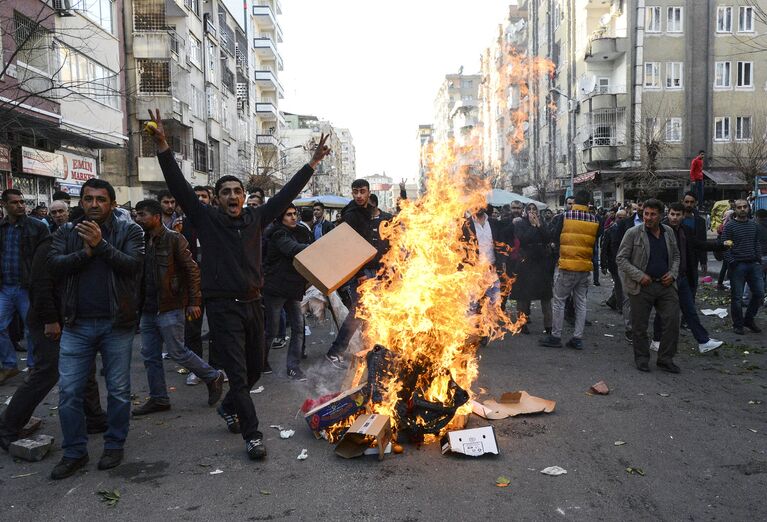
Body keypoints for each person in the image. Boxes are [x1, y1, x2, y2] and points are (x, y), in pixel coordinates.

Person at [149, 109, 330, 461]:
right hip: (222, 308)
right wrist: (163, 148)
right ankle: (253, 435)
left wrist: (312, 163)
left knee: (253, 369)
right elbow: (179, 186)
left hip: (254, 304)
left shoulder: (256, 217)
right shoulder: (205, 218)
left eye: (237, 191)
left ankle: (228, 407)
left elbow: (288, 191)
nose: (232, 196)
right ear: (217, 198)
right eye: (226, 192)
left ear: (245, 197)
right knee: (237, 373)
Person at [47, 179, 144, 479]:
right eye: (88, 199)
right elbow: (54, 266)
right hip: (77, 324)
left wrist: (100, 245)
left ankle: (114, 444)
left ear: (112, 204)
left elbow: (132, 265)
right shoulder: (66, 231)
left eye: (101, 199)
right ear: (81, 202)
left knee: (118, 391)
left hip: (117, 324)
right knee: (69, 393)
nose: (93, 204)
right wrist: (87, 253)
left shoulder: (131, 230)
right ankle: (75, 452)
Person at [0, 235, 107, 451]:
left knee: (85, 368)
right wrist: (50, 320)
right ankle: (7, 427)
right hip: (48, 320)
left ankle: (94, 417)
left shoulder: (92, 244)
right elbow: (40, 285)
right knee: (47, 371)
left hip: (72, 318)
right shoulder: (51, 245)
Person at [132, 199, 224, 416]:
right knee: (150, 355)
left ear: (155, 216)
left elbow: (192, 270)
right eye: (137, 214)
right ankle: (159, 398)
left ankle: (212, 376)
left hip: (170, 305)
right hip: (148, 308)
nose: (138, 218)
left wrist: (194, 301)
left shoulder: (174, 239)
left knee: (177, 351)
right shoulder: (141, 240)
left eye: (142, 214)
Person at [324, 179, 391, 368]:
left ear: (369, 193)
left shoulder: (386, 218)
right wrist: (360, 272)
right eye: (355, 192)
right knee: (358, 312)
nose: (359, 196)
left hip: (382, 272)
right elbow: (350, 249)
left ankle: (369, 350)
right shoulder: (353, 216)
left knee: (372, 313)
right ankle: (335, 351)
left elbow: (393, 245)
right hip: (362, 273)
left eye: (362, 191)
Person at [616, 199, 681, 373]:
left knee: (673, 321)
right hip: (641, 286)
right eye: (646, 213)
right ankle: (642, 358)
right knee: (640, 326)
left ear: (661, 215)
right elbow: (621, 259)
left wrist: (673, 274)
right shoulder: (633, 233)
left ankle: (666, 359)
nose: (648, 217)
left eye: (653, 214)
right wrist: (639, 275)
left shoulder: (668, 232)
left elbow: (676, 256)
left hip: (665, 285)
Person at [651, 203, 725, 354]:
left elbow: (699, 245)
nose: (675, 217)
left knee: (690, 310)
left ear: (683, 216)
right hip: (666, 279)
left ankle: (703, 341)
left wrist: (720, 246)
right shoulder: (661, 229)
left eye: (678, 215)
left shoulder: (686, 231)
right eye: (672, 214)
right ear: (667, 214)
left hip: (682, 277)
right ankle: (656, 340)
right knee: (663, 312)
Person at [539, 191, 599, 350]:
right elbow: (595, 241)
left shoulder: (565, 217)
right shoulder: (594, 219)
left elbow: (554, 236)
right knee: (581, 303)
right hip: (585, 267)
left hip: (566, 266)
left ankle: (555, 336)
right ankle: (577, 338)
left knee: (559, 301)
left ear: (574, 202)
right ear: (588, 203)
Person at [1, 189, 49, 382]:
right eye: (15, 202)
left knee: (32, 329)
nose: (20, 205)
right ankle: (9, 365)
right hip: (5, 286)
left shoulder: (37, 227)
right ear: (4, 205)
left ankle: (33, 366)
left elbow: (45, 258)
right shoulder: (2, 228)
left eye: (22, 202)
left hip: (27, 287)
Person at [263, 204, 312, 381]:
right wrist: (319, 247)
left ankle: (293, 367)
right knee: (272, 330)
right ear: (280, 218)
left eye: (294, 214)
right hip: (276, 288)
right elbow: (292, 249)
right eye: (288, 215)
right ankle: (260, 361)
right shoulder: (278, 234)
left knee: (298, 328)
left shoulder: (301, 231)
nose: (293, 217)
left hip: (293, 287)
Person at [722, 199, 764, 335]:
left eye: (745, 207)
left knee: (759, 294)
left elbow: (756, 242)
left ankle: (749, 319)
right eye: (739, 207)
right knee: (737, 298)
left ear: (748, 208)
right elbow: (724, 245)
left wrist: (758, 259)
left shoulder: (754, 225)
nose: (742, 209)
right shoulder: (730, 226)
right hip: (737, 265)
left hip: (753, 264)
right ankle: (738, 324)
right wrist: (732, 261)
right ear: (735, 209)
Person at [511, 203, 553, 335]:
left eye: (534, 210)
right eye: (528, 209)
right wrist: (533, 226)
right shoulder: (520, 223)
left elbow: (547, 238)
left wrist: (539, 226)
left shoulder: (542, 223)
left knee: (546, 296)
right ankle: (522, 323)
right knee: (523, 296)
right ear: (525, 211)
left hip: (541, 262)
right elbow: (523, 240)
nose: (531, 212)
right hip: (526, 262)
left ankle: (549, 326)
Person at [602, 209, 627, 311]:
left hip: (625, 262)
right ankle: (620, 306)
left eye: (623, 218)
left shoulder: (628, 230)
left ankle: (612, 301)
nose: (620, 220)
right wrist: (603, 264)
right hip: (614, 262)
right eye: (619, 218)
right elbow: (604, 248)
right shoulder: (610, 230)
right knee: (619, 284)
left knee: (620, 284)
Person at [681, 191, 709, 281]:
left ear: (695, 203)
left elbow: (703, 241)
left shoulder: (700, 221)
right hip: (678, 257)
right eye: (687, 202)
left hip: (693, 257)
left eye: (691, 202)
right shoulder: (676, 219)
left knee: (692, 284)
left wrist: (703, 261)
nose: (689, 204)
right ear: (682, 202)